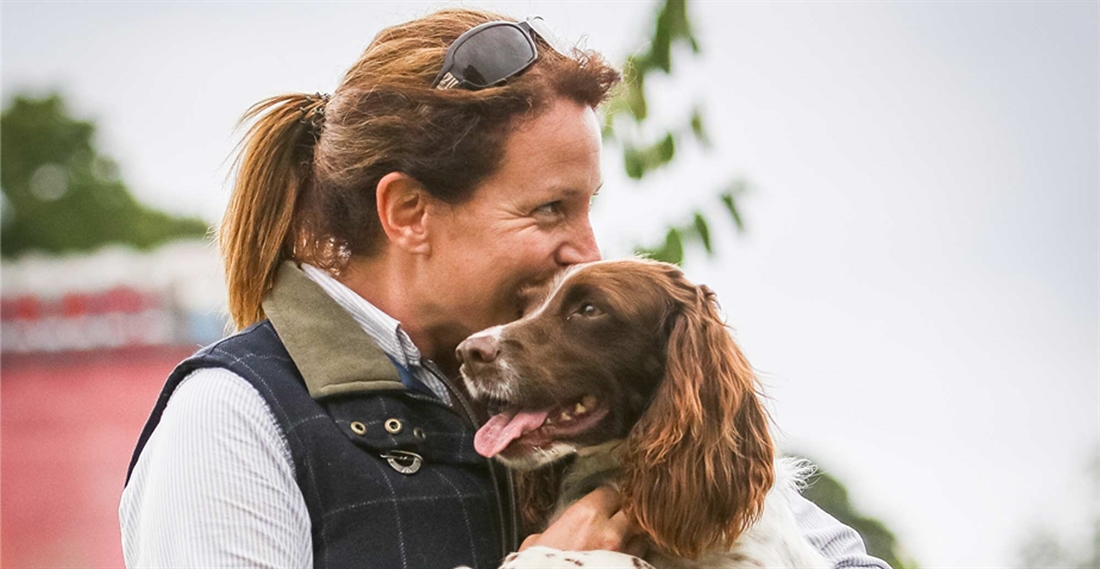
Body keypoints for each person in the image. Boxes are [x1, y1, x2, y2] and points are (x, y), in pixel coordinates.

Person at [119, 8, 890, 569]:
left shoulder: (578, 395)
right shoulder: (234, 417)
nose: (586, 248)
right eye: (550, 208)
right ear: (408, 212)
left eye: (591, 207)